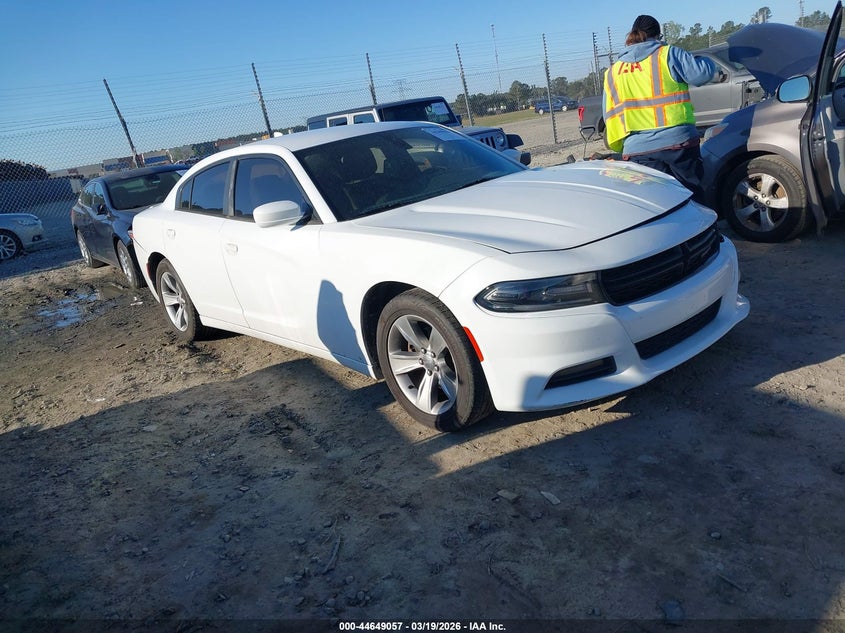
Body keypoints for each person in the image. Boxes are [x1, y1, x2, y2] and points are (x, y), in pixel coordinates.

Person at [602, 14, 725, 200]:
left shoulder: (613, 71)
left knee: (657, 204)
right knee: (693, 200)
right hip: (677, 144)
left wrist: (623, 147)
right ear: (658, 35)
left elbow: (609, 115)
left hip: (637, 150)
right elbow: (701, 74)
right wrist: (707, 63)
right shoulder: (668, 54)